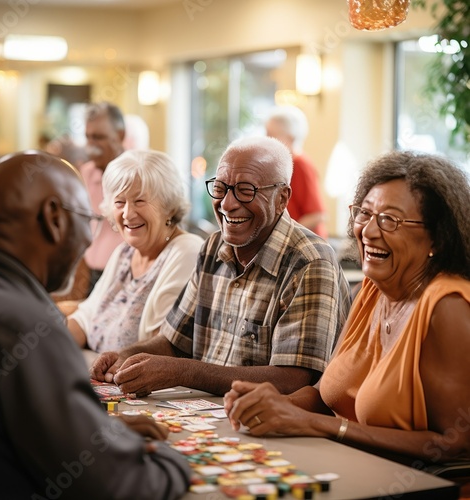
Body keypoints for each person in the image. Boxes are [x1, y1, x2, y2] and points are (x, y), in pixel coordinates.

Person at [224, 150, 470, 469]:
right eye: (364, 214)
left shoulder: (447, 308)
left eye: (389, 220)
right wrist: (272, 404)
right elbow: (324, 396)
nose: (367, 231)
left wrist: (316, 425)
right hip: (349, 471)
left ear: (437, 236)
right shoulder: (369, 291)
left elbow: (454, 445)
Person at [0, 151, 191, 499]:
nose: (91, 238)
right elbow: (120, 486)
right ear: (54, 219)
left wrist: (90, 430)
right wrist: (174, 457)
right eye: (88, 218)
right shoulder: (25, 323)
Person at [91, 136, 351, 397]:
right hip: (205, 418)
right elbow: (175, 341)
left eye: (246, 190)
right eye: (220, 188)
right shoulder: (213, 247)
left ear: (282, 198)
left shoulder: (310, 261)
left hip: (271, 430)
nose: (227, 204)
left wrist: (182, 372)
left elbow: (293, 379)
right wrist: (124, 356)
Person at [67, 149, 204, 353]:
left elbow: (163, 344)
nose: (128, 214)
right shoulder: (125, 253)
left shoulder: (187, 252)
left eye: (140, 201)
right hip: (96, 376)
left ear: (169, 207)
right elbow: (84, 319)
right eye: (119, 202)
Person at [80, 101, 127, 293]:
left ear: (120, 135)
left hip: (123, 275)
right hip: (92, 273)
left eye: (98, 138)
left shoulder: (137, 174)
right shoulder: (86, 172)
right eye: (88, 138)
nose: (91, 146)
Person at [265, 105, 328, 238]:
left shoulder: (299, 164)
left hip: (304, 244)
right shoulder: (283, 164)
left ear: (291, 138)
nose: (267, 140)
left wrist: (283, 235)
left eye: (271, 135)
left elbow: (317, 215)